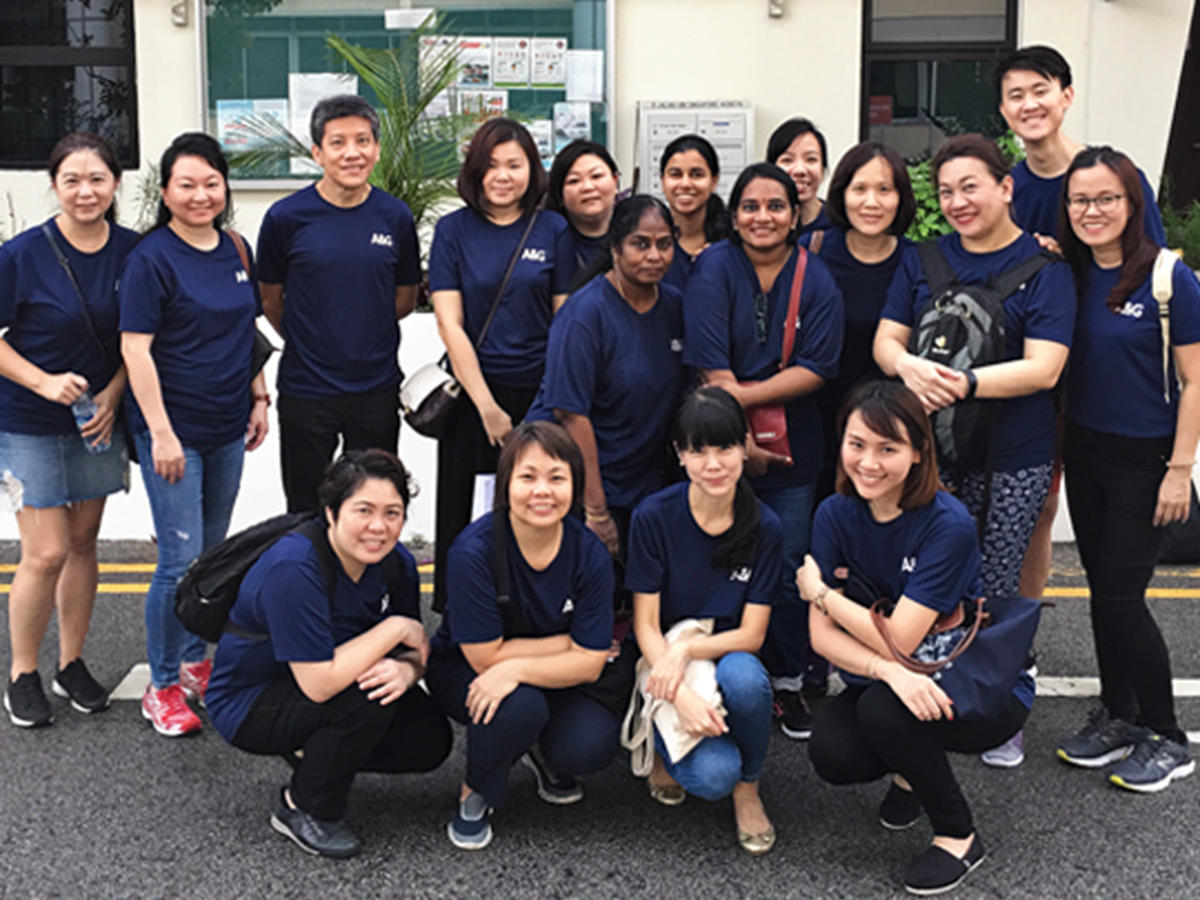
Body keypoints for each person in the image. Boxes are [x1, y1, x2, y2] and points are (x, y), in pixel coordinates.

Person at [874, 134, 1073, 768]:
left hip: (1015, 453)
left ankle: (1000, 704)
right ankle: (928, 689)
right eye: (946, 191)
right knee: (930, 573)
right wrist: (908, 366)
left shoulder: (1046, 269)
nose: (958, 202)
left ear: (1006, 187)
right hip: (931, 451)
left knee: (999, 580)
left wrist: (964, 383)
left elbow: (1045, 367)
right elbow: (886, 340)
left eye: (971, 187)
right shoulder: (923, 259)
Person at [801, 379, 1032, 896]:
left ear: (919, 452)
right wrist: (886, 670)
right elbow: (821, 638)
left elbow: (900, 638)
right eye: (857, 444)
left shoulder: (947, 524)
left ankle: (958, 836)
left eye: (888, 448)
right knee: (834, 753)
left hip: (979, 686)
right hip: (898, 679)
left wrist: (821, 594)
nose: (868, 462)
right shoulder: (833, 513)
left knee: (882, 711)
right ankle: (911, 769)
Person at [206, 450, 452, 858]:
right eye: (363, 510)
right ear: (331, 513)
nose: (379, 526)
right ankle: (303, 807)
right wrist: (392, 628)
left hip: (327, 679)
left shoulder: (397, 565)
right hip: (251, 699)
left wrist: (408, 672)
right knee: (363, 700)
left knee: (428, 738)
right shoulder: (295, 567)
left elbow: (412, 651)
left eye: (392, 513)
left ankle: (317, 751)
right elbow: (319, 684)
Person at [993, 44, 1166, 605]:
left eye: (1040, 90)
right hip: (1031, 366)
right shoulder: (1009, 188)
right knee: (1035, 503)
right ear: (1003, 109)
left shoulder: (1110, 175)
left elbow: (1149, 269)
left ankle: (1110, 629)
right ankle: (1019, 632)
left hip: (1102, 371)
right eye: (1015, 95)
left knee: (1092, 528)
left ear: (1066, 96)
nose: (1029, 104)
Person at [684, 161, 844, 741]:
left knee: (788, 567)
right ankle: (713, 673)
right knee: (713, 558)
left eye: (776, 206)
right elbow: (709, 362)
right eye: (750, 206)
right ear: (734, 215)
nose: (763, 217)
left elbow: (818, 367)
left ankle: (785, 679)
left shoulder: (816, 278)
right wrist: (737, 439)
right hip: (717, 448)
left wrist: (745, 401)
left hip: (793, 451)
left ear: (795, 213)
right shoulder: (713, 269)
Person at [1055, 146, 1197, 791]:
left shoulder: (1169, 278)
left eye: (1106, 198)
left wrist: (1179, 468)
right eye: (1080, 200)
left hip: (1147, 460)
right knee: (1101, 589)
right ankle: (1120, 713)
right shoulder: (1071, 273)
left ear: (1132, 203)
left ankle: (1167, 736)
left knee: (1121, 598)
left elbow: (1196, 381)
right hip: (1086, 451)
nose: (1092, 211)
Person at [120, 132, 270, 738]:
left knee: (212, 556)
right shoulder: (151, 258)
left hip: (227, 424)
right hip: (172, 430)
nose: (201, 195)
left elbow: (247, 329)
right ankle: (160, 686)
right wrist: (160, 433)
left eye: (211, 183)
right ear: (166, 192)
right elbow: (136, 350)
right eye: (187, 184)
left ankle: (193, 664)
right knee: (178, 560)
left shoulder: (235, 247)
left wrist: (259, 398)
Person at [425, 421, 618, 850]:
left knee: (591, 743)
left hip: (542, 670)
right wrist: (569, 645)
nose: (542, 491)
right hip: (464, 667)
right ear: (506, 483)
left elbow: (590, 664)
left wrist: (517, 666)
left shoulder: (589, 553)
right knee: (518, 706)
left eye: (557, 478)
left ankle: (541, 751)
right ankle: (476, 788)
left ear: (575, 484)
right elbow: (483, 659)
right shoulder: (473, 552)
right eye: (527, 477)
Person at [0, 133, 138, 728]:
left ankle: (71, 663)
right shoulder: (22, 254)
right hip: (28, 418)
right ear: (54, 186)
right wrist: (43, 382)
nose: (86, 191)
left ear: (115, 184)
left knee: (84, 544)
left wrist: (114, 393)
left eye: (97, 179)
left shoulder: (135, 251)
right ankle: (22, 673)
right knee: (47, 551)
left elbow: (142, 337)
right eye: (72, 180)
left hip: (97, 417)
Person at [428, 118, 576, 612]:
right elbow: (450, 324)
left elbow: (564, 323)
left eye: (514, 165)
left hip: (540, 393)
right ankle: (459, 617)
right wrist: (487, 407)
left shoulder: (553, 229)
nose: (503, 176)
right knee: (466, 509)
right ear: (475, 170)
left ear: (532, 170)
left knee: (537, 505)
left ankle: (530, 612)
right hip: (473, 395)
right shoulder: (453, 231)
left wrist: (546, 403)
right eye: (491, 165)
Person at [625, 387, 781, 855]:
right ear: (680, 454)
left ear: (745, 446)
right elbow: (646, 625)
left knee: (746, 679)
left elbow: (752, 635)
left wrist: (688, 650)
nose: (713, 464)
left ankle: (749, 787)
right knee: (713, 777)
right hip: (663, 656)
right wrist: (680, 694)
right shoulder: (653, 517)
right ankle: (661, 743)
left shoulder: (765, 525)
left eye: (725, 448)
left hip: (724, 652)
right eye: (698, 451)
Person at [257, 94, 420, 514]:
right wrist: (309, 336)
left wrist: (362, 326)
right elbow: (270, 298)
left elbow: (404, 298)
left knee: (373, 502)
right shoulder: (285, 217)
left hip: (376, 388)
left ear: (376, 148)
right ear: (317, 152)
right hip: (307, 388)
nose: (352, 153)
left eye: (363, 141)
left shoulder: (396, 217)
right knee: (306, 508)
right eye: (338, 142)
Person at [527, 195, 688, 558]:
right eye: (640, 244)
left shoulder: (675, 306)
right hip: (580, 484)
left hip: (643, 482)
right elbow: (570, 414)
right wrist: (597, 511)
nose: (654, 255)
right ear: (615, 248)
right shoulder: (584, 315)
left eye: (664, 244)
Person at [658, 134, 729, 294]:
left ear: (714, 182)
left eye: (696, 174)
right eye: (676, 174)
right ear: (662, 181)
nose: (685, 184)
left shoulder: (731, 243)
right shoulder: (650, 243)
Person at [544, 139, 620, 272]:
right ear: (559, 195)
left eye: (596, 176)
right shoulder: (546, 242)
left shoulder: (636, 231)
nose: (587, 187)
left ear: (615, 181)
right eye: (574, 181)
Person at [766, 118, 833, 236]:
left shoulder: (838, 225)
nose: (800, 170)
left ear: (822, 170)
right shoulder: (757, 224)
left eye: (811, 159)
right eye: (787, 160)